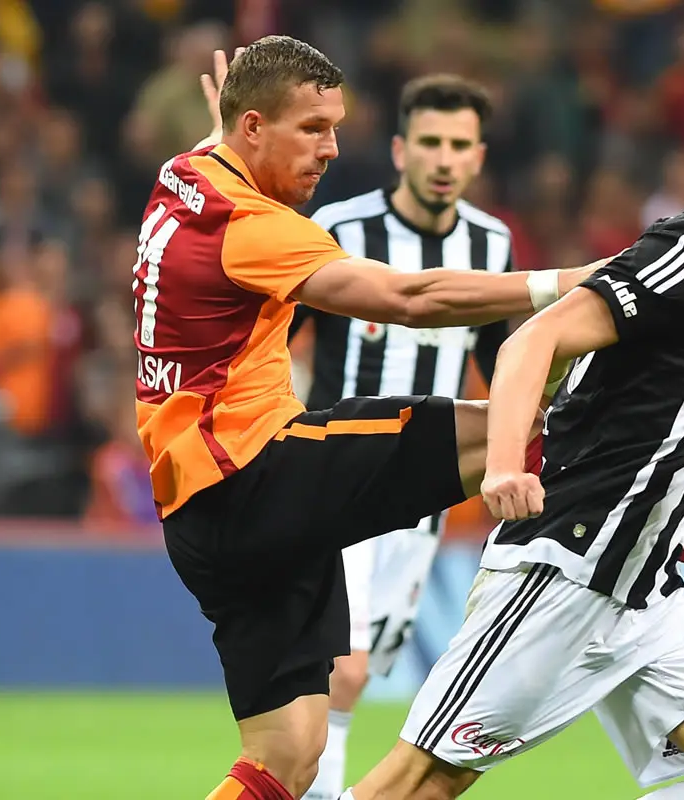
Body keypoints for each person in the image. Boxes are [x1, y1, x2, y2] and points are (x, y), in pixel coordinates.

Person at [133, 36, 600, 800]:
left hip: (198, 512)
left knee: (289, 754)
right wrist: (576, 280)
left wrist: (228, 124)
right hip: (252, 472)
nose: (331, 147)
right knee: (498, 425)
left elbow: (216, 140)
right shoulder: (251, 226)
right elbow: (409, 300)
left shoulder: (181, 176)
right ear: (252, 128)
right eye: (312, 129)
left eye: (336, 126)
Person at [345, 84, 684, 800]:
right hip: (562, 570)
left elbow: (646, 455)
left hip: (643, 591)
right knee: (417, 786)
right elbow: (530, 343)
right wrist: (505, 465)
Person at [290, 73, 515, 800]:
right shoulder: (342, 231)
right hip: (339, 476)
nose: (443, 158)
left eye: (458, 145)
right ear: (399, 149)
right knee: (343, 664)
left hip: (421, 501)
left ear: (478, 157)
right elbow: (278, 338)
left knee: (360, 671)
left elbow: (500, 362)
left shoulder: (492, 243)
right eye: (429, 143)